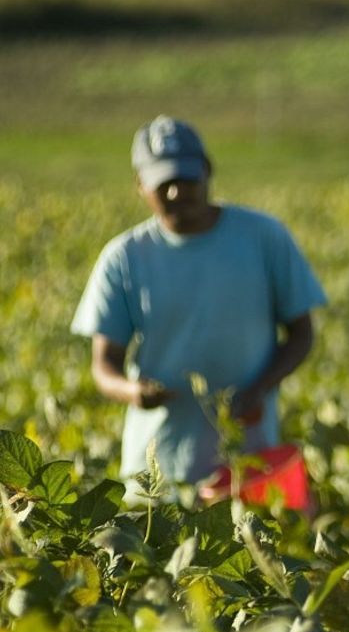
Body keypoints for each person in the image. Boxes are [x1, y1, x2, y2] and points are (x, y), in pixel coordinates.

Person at [72, 115, 327, 501]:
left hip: (248, 462)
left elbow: (302, 333)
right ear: (141, 185)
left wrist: (260, 388)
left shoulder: (263, 238)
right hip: (157, 470)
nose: (177, 193)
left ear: (207, 172)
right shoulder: (124, 258)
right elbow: (103, 365)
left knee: (247, 555)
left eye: (186, 179)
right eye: (164, 184)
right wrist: (133, 391)